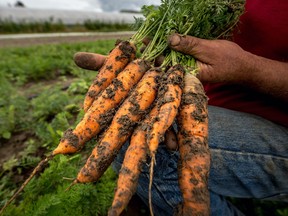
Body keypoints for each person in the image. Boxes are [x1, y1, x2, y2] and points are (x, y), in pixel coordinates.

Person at [74, 0, 288, 215]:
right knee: (130, 127)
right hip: (204, 101)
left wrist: (248, 68)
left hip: (279, 126)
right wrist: (155, 75)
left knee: (149, 145)